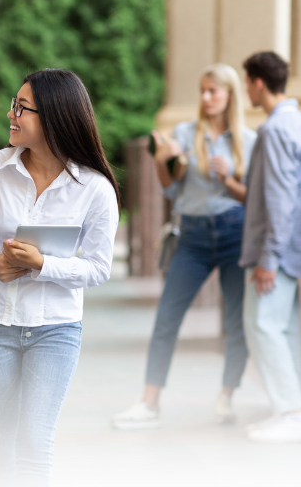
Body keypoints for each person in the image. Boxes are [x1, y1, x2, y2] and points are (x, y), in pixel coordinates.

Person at [0, 69, 120, 487]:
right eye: (14, 103)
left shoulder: (95, 189)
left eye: (22, 108)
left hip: (56, 328)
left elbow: (99, 268)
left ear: (56, 118)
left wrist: (43, 264)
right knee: (4, 441)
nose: (11, 113)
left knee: (34, 440)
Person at [110, 64, 256, 430]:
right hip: (191, 235)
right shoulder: (184, 134)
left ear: (229, 96)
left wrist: (227, 179)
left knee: (235, 321)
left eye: (214, 92)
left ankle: (226, 396)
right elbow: (170, 189)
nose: (206, 98)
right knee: (167, 318)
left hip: (234, 232)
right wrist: (162, 159)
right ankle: (149, 402)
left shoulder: (248, 140)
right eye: (203, 91)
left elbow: (254, 199)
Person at [237, 52, 301, 443]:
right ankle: (293, 409)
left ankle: (296, 414)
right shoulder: (299, 123)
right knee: (282, 330)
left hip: (276, 252)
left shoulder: (274, 129)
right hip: (292, 247)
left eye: (246, 81)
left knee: (263, 326)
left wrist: (267, 259)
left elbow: (281, 200)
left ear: (256, 82)